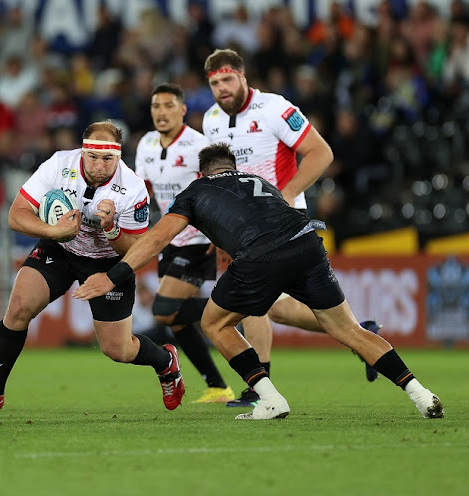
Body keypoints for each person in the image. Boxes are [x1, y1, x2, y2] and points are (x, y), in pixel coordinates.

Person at [74, 143, 444, 420]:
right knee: (347, 328)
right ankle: (421, 393)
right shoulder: (259, 181)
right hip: (307, 244)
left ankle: (269, 398)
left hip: (261, 255)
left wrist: (115, 275)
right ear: (234, 168)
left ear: (201, 174)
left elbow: (156, 239)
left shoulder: (196, 191)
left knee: (215, 322)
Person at [201, 48, 379, 408]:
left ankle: (258, 386)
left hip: (280, 222)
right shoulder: (211, 120)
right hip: (239, 227)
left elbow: (321, 152)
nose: (221, 88)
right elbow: (216, 177)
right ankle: (362, 334)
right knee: (274, 308)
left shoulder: (275, 109)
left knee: (253, 303)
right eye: (214, 82)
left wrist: (287, 193)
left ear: (243, 75)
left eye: (227, 79)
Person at [0, 120, 185, 415]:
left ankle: (165, 362)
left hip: (107, 262)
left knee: (118, 350)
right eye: (93, 156)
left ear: (118, 156)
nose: (99, 165)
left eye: (107, 159)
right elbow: (16, 215)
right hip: (60, 249)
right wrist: (53, 233)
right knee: (19, 307)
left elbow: (139, 251)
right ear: (82, 150)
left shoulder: (132, 187)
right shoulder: (59, 164)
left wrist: (113, 229)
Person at [135, 82, 234, 404]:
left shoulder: (199, 145)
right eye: (155, 106)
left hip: (199, 237)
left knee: (165, 309)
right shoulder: (147, 144)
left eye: (167, 106)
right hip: (169, 239)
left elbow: (222, 189)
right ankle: (218, 386)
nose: (161, 113)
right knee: (176, 320)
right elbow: (143, 192)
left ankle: (241, 303)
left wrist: (222, 236)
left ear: (182, 110)